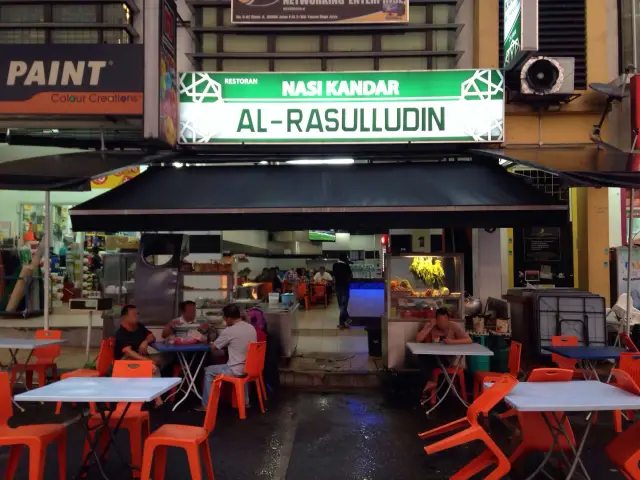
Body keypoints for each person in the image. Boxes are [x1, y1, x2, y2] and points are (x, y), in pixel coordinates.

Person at [200, 304, 257, 411]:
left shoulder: (229, 331)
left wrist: (206, 341)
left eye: (225, 319)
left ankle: (206, 405)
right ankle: (244, 401)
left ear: (229, 319)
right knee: (239, 366)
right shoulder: (251, 328)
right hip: (250, 368)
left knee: (208, 371)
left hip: (235, 370)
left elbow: (214, 347)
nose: (225, 322)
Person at [415, 308, 472, 397]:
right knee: (422, 356)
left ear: (448, 320)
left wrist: (452, 342)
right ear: (436, 320)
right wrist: (429, 326)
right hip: (433, 356)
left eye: (444, 322)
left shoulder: (453, 326)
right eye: (440, 321)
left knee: (430, 359)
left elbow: (469, 340)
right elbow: (418, 339)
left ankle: (429, 383)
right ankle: (429, 382)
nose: (442, 324)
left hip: (447, 359)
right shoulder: (431, 326)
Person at [114, 305, 169, 376]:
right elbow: (128, 352)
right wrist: (147, 361)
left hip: (141, 357)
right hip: (127, 361)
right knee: (152, 367)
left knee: (166, 358)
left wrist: (145, 342)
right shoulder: (121, 332)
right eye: (134, 314)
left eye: (137, 314)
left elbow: (152, 337)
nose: (137, 316)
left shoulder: (139, 327)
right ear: (125, 317)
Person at [332, 254, 352, 329]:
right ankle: (346, 320)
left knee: (341, 306)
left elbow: (334, 277)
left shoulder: (335, 265)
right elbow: (350, 277)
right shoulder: (347, 266)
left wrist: (334, 286)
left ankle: (342, 323)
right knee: (343, 306)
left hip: (338, 288)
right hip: (345, 288)